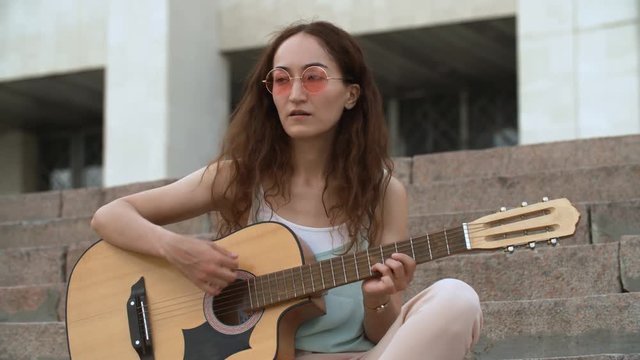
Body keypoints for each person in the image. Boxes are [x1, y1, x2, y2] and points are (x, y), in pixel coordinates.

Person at [91, 20, 482, 360]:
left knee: (455, 298)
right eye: (281, 79)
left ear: (351, 94)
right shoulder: (238, 178)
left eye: (313, 77)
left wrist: (377, 298)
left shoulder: (383, 193)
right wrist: (178, 251)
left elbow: (384, 334)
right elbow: (110, 216)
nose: (295, 94)